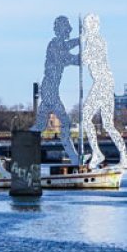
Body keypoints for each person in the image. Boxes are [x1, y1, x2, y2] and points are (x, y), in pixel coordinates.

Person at [79, 14, 127, 169]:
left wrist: (80, 43)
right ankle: (125, 157)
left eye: (89, 24)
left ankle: (97, 152)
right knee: (108, 125)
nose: (87, 27)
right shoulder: (94, 40)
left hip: (102, 82)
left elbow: (85, 60)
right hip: (106, 82)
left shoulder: (96, 40)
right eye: (85, 24)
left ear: (95, 26)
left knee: (86, 117)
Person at [32, 15, 81, 164]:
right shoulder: (54, 45)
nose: (69, 30)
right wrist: (83, 50)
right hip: (50, 91)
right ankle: (75, 160)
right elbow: (71, 58)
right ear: (61, 30)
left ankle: (21, 145)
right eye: (67, 28)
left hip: (48, 89)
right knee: (65, 123)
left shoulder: (58, 44)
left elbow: (68, 46)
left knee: (39, 126)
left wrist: (81, 40)